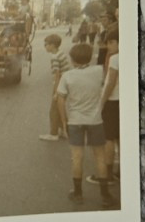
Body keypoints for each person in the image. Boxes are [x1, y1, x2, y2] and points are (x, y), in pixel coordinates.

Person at [54, 43, 113, 206]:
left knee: (77, 158)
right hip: (96, 121)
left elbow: (60, 99)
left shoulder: (67, 76)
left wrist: (64, 121)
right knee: (100, 157)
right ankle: (105, 195)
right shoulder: (98, 71)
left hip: (75, 121)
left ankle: (78, 194)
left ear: (72, 60)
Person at [38, 33, 69, 141]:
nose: (45, 46)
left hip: (60, 85)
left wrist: (56, 92)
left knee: (54, 110)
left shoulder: (55, 57)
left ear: (53, 45)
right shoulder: (61, 53)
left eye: (46, 44)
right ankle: (65, 131)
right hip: (65, 83)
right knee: (59, 109)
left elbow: (57, 75)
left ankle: (53, 133)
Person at [100, 28, 121, 186]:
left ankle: (107, 174)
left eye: (112, 42)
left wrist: (101, 103)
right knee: (120, 138)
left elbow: (110, 83)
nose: (109, 46)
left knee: (108, 138)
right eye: (107, 43)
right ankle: (120, 170)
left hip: (112, 101)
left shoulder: (115, 58)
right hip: (122, 101)